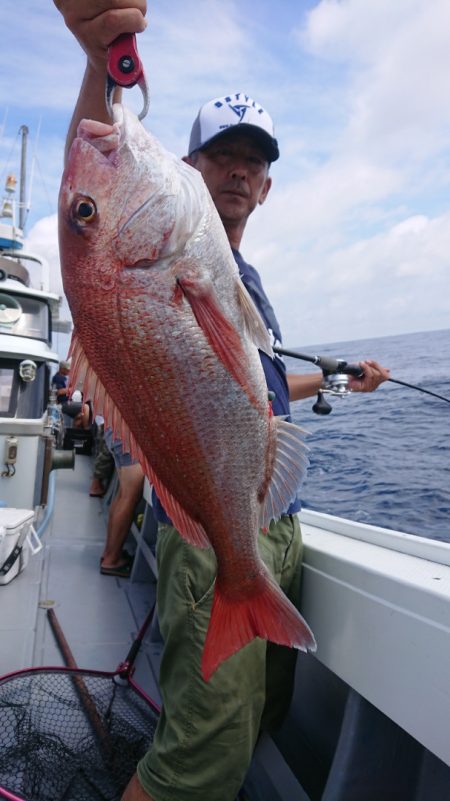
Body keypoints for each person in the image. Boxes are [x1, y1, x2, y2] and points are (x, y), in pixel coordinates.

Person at [54, 4, 390, 799]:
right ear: (188, 166)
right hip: (213, 542)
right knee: (196, 762)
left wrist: (340, 380)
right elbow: (90, 183)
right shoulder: (150, 262)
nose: (238, 171)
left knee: (258, 719)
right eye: (222, 156)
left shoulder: (243, 283)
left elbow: (257, 391)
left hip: (264, 524)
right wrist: (101, 61)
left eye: (253, 162)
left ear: (267, 187)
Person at [100, 427, 144, 576]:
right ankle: (111, 560)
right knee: (129, 497)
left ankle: (109, 553)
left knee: (123, 494)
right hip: (129, 436)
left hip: (117, 431)